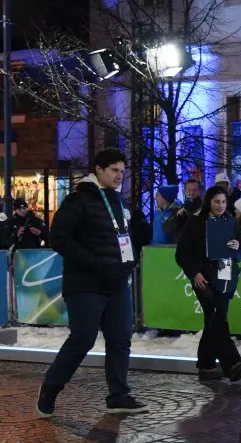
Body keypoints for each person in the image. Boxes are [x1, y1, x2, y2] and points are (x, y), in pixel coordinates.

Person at [36, 148, 148, 417]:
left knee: (120, 340)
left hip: (117, 283)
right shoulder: (79, 199)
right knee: (82, 339)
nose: (119, 176)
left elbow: (123, 239)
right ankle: (50, 388)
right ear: (98, 170)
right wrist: (93, 262)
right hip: (85, 284)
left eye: (122, 171)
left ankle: (118, 396)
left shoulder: (119, 201)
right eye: (114, 170)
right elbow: (59, 238)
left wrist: (130, 257)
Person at [175, 186, 241, 381]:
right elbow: (182, 253)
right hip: (204, 278)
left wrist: (236, 248)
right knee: (216, 317)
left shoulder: (230, 221)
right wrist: (194, 273)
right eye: (217, 201)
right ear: (209, 201)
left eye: (224, 201)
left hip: (225, 277)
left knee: (214, 319)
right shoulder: (196, 222)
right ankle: (232, 363)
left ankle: (206, 365)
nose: (221, 205)